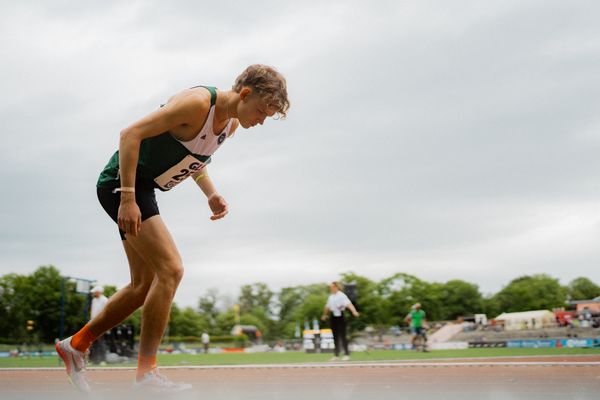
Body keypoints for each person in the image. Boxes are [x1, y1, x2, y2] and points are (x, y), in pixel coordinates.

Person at [55, 65, 290, 392]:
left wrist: (211, 194)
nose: (262, 120)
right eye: (263, 111)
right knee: (171, 269)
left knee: (142, 285)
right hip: (121, 185)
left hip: (144, 188)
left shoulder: (231, 125)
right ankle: (146, 375)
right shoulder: (196, 103)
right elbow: (129, 134)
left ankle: (75, 345)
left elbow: (196, 159)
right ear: (245, 94)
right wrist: (126, 198)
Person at [321, 282, 359, 361]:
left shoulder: (341, 295)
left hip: (340, 316)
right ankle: (336, 355)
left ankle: (346, 354)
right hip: (333, 316)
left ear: (336, 287)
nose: (331, 288)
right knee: (334, 336)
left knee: (343, 336)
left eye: (332, 287)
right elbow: (327, 307)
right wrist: (324, 315)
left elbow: (349, 304)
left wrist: (354, 311)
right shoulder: (331, 297)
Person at [88, 286, 108, 364]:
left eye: (94, 292)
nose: (93, 293)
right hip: (93, 323)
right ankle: (92, 360)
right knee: (92, 342)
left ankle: (103, 360)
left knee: (101, 341)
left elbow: (106, 312)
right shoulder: (94, 300)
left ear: (98, 292)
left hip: (101, 323)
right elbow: (92, 313)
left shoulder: (105, 300)